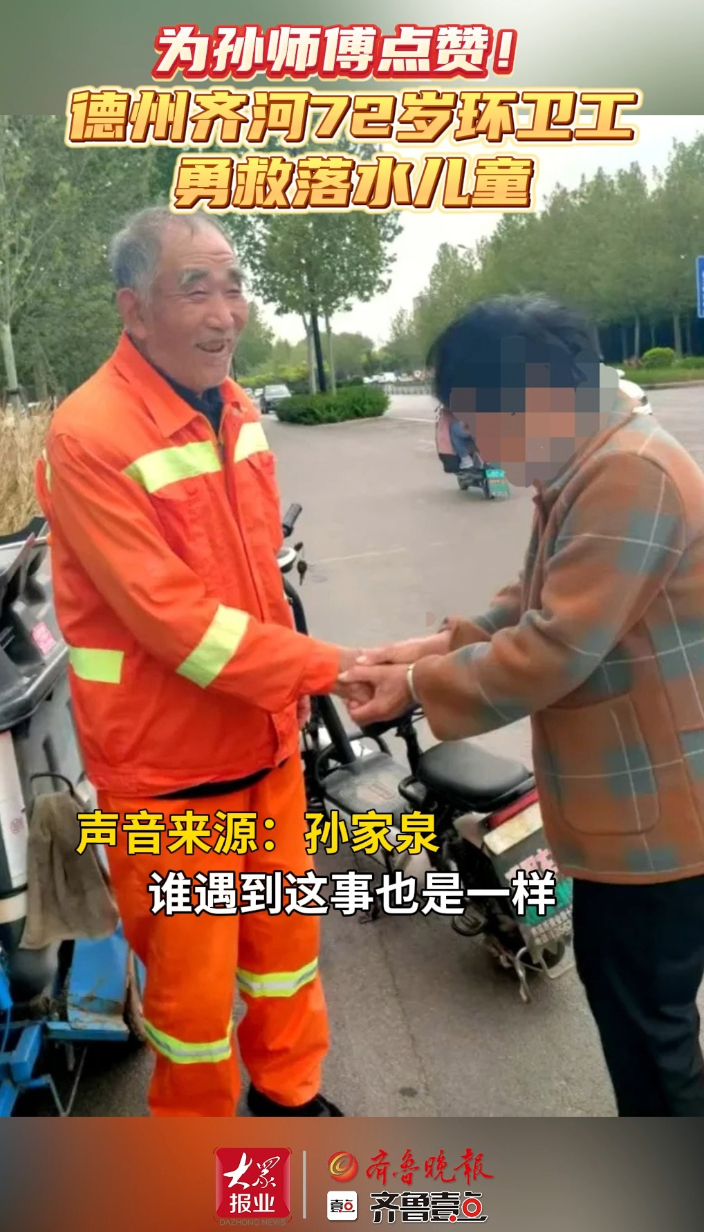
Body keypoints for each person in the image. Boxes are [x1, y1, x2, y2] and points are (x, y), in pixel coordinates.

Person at [340, 295, 704, 1118]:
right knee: (639, 1017)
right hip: (631, 809)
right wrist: (430, 648)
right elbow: (537, 597)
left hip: (656, 820)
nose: (477, 444)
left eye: (477, 422)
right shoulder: (591, 456)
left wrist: (416, 686)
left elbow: (553, 648)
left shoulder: (630, 474)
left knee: (650, 1036)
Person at [35, 206, 362, 1118]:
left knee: (285, 951)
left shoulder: (238, 409)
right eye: (196, 289)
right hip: (170, 779)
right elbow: (178, 624)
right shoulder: (89, 434)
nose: (226, 313)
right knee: (191, 1000)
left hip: (266, 750)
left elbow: (259, 575)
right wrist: (332, 668)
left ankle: (290, 1095)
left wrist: (295, 690)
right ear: (133, 310)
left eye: (234, 286)